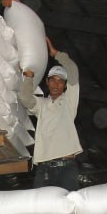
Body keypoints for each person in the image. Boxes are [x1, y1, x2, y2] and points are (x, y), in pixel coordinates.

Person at [17, 36, 82, 190]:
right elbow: (26, 98)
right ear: (47, 82)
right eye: (53, 80)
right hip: (44, 169)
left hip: (67, 167)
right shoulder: (41, 104)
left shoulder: (69, 101)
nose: (56, 84)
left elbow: (73, 71)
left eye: (60, 81)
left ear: (65, 85)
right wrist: (28, 78)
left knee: (67, 202)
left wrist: (57, 54)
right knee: (40, 204)